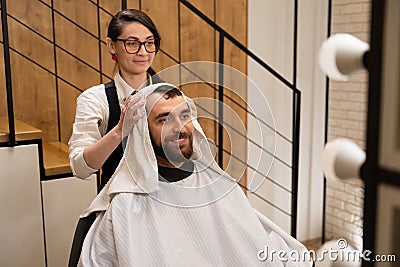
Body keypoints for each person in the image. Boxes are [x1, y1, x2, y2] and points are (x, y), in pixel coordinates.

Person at [75, 84, 312, 266]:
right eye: (164, 119)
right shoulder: (126, 204)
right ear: (142, 131)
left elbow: (253, 242)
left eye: (185, 115)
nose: (179, 126)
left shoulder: (216, 183)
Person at [68, 9, 162, 191]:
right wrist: (119, 132)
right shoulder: (94, 99)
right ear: (111, 46)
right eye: (132, 43)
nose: (143, 52)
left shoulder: (170, 95)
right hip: (116, 203)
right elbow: (80, 169)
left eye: (150, 43)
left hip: (166, 200)